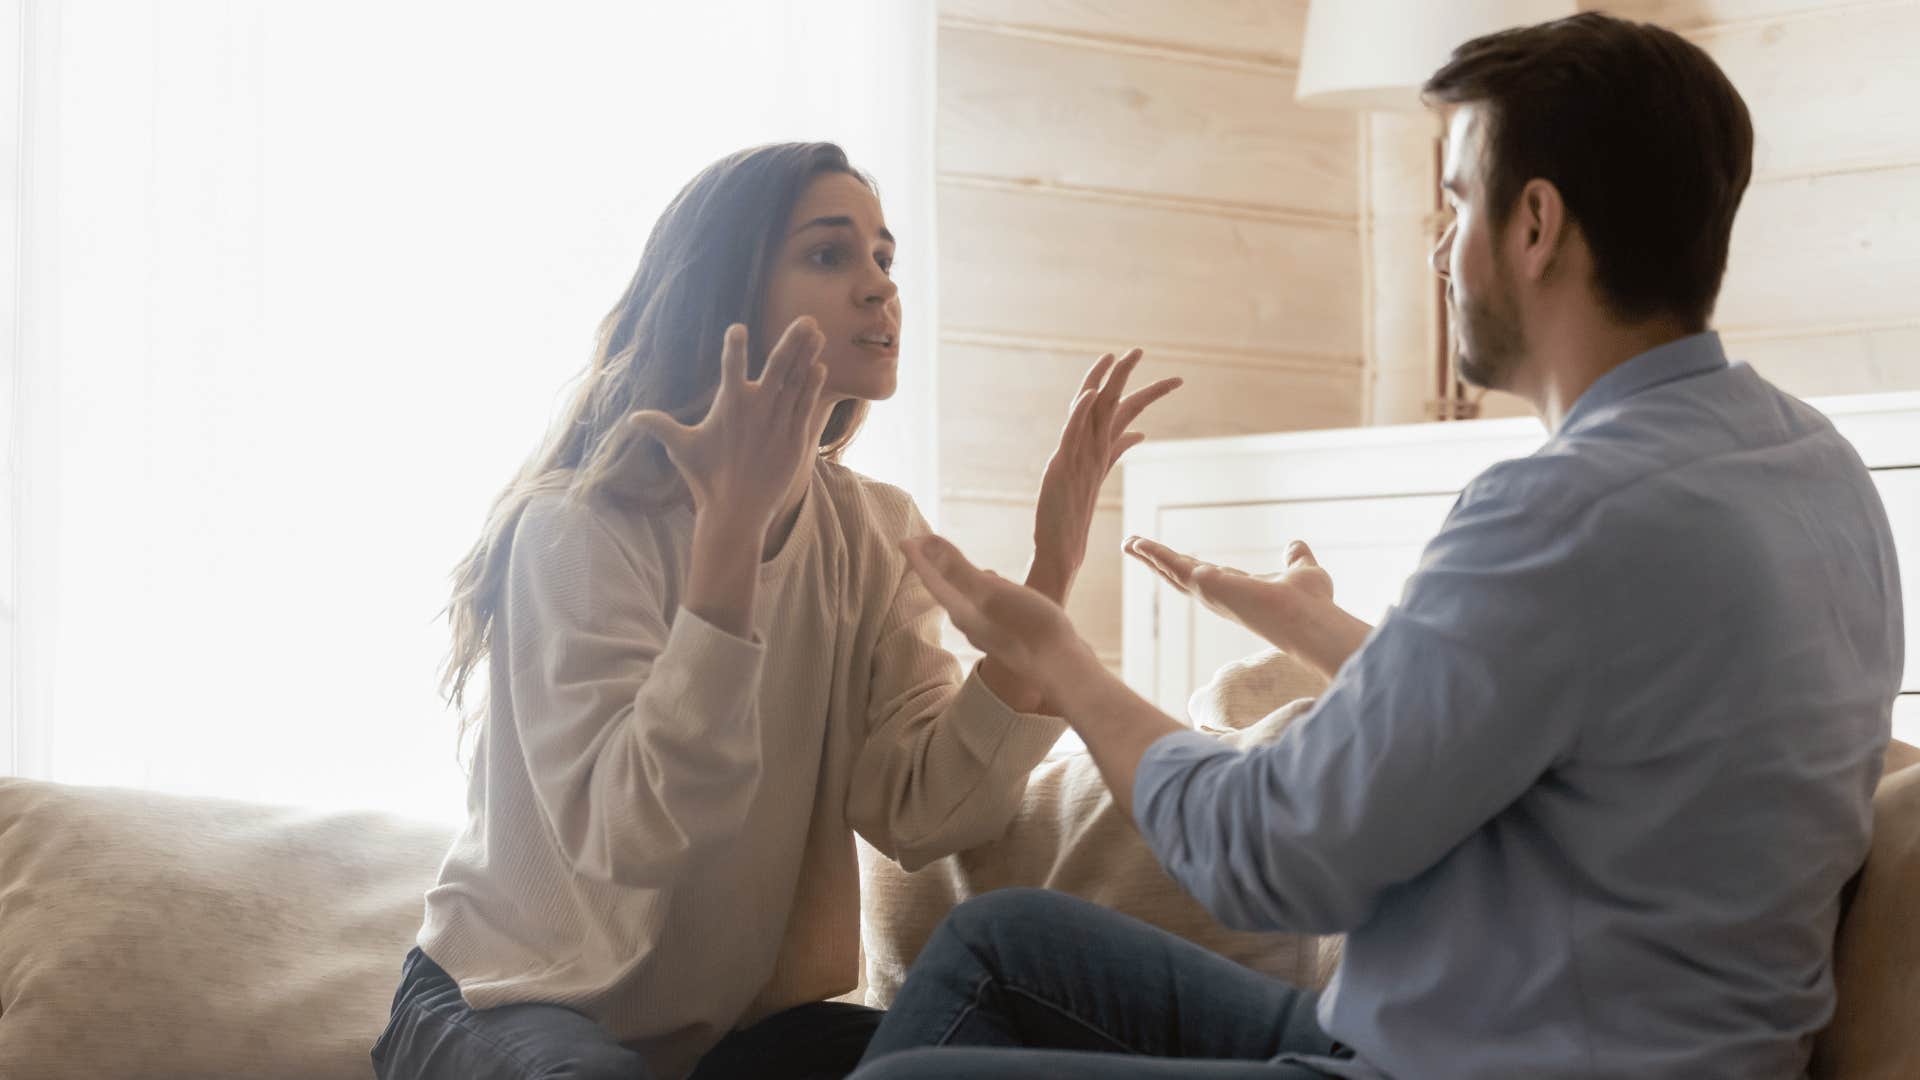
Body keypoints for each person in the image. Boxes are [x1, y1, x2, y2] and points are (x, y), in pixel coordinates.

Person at [853, 14, 1905, 1080]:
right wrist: (1326, 632)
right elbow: (1593, 730)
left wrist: (1065, 667)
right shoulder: (1815, 469)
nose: (1442, 249)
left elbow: (1267, 855)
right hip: (1502, 1032)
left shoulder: (1566, 509)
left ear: (1535, 223)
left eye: (1454, 203)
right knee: (1004, 943)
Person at [368, 141, 1181, 1080]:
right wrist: (730, 545)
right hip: (509, 1000)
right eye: (831, 256)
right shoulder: (577, 526)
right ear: (727, 293)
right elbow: (630, 844)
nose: (879, 288)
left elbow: (919, 812)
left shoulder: (874, 530)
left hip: (734, 1041)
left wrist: (1052, 568)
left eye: (884, 257)